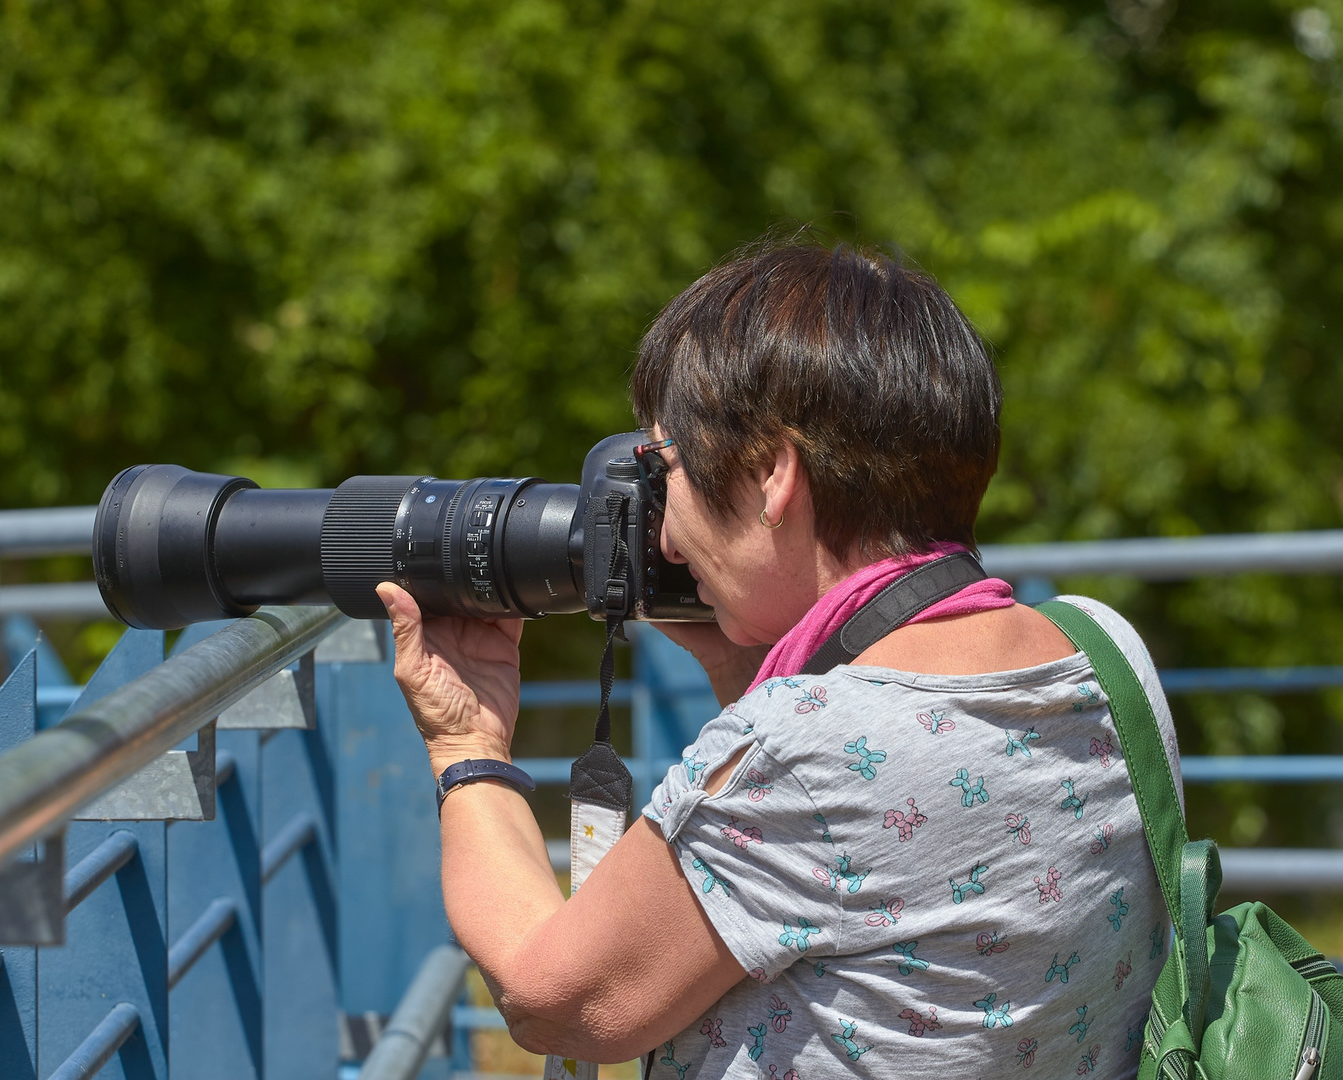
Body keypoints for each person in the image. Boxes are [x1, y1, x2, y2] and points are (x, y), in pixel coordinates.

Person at [374, 239, 1182, 1079]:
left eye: (666, 469)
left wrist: (465, 741)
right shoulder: (1103, 648)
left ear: (770, 474)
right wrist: (743, 667)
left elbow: (560, 1000)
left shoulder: (802, 750)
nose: (662, 535)